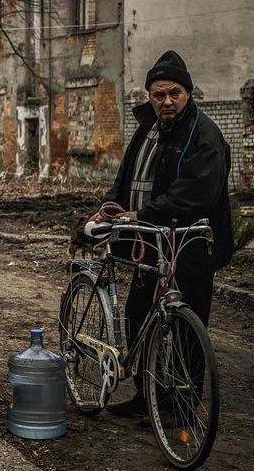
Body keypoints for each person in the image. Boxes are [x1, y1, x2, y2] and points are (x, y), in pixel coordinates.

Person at [93, 50, 232, 418]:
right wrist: (111, 203)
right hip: (150, 243)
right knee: (139, 315)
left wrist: (142, 213)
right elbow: (125, 179)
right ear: (150, 97)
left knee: (187, 329)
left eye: (174, 93)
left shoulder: (205, 136)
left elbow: (195, 195)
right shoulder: (147, 129)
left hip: (190, 245)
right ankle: (147, 395)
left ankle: (182, 407)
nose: (166, 101)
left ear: (188, 93)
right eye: (158, 95)